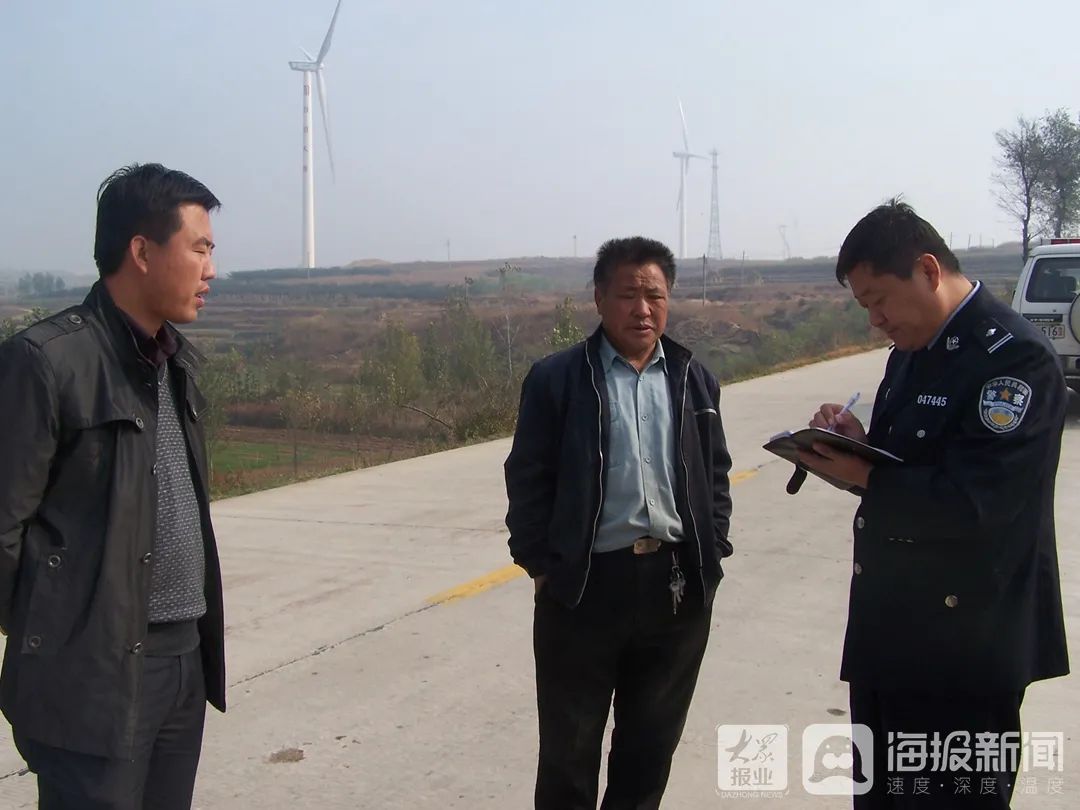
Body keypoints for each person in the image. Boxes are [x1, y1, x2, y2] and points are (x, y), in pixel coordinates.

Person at [799, 200, 1069, 808]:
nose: (876, 320)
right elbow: (905, 467)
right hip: (891, 637)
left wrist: (866, 476)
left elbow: (977, 503)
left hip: (964, 652)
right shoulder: (912, 352)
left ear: (927, 270)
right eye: (864, 307)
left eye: (879, 300)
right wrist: (856, 445)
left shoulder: (1016, 360)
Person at [0, 163, 227, 809]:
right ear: (142, 252)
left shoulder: (175, 363)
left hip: (182, 661)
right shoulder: (47, 362)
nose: (211, 270)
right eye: (200, 249)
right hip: (92, 678)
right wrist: (59, 636)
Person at [504, 236, 733, 810]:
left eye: (655, 295)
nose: (643, 309)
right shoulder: (557, 379)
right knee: (569, 750)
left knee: (649, 748)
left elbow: (716, 471)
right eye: (629, 294)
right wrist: (541, 566)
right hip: (585, 587)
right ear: (600, 299)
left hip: (676, 588)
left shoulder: (693, 377)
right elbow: (527, 476)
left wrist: (714, 547)